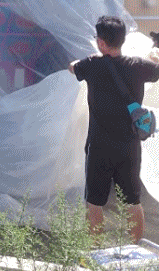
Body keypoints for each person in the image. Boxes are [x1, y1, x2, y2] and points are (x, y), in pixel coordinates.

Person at [68, 15, 159, 243]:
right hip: (129, 146)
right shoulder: (138, 65)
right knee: (132, 202)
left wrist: (84, 60)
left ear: (101, 42)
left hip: (99, 146)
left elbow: (72, 67)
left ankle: (95, 250)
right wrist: (152, 55)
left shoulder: (91, 65)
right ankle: (134, 248)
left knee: (94, 203)